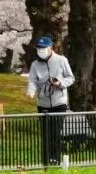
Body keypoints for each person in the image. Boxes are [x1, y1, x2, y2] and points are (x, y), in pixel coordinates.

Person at [27, 35, 74, 165]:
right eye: (39, 48)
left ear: (50, 48)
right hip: (43, 103)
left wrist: (60, 83)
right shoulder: (35, 64)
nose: (41, 50)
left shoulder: (61, 60)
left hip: (59, 103)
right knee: (46, 133)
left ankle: (55, 159)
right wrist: (30, 92)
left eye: (43, 48)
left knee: (55, 132)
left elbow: (70, 78)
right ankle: (47, 161)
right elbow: (32, 81)